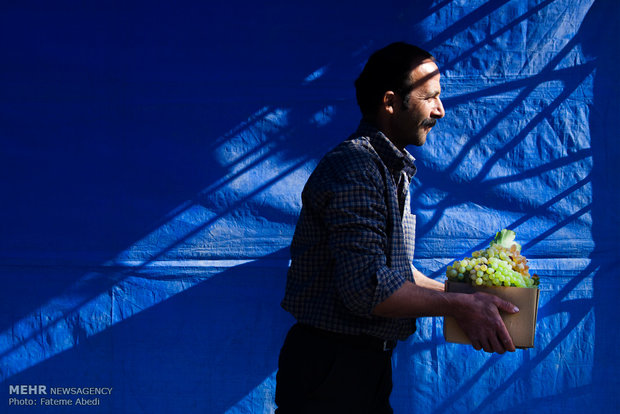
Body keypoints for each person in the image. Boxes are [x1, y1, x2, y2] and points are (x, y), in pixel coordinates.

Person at [274, 42, 519, 414]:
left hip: (364, 367)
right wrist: (458, 305)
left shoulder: (389, 169)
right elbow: (368, 289)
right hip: (332, 370)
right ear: (390, 103)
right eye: (430, 97)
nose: (441, 109)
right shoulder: (356, 167)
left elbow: (395, 274)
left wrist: (470, 300)